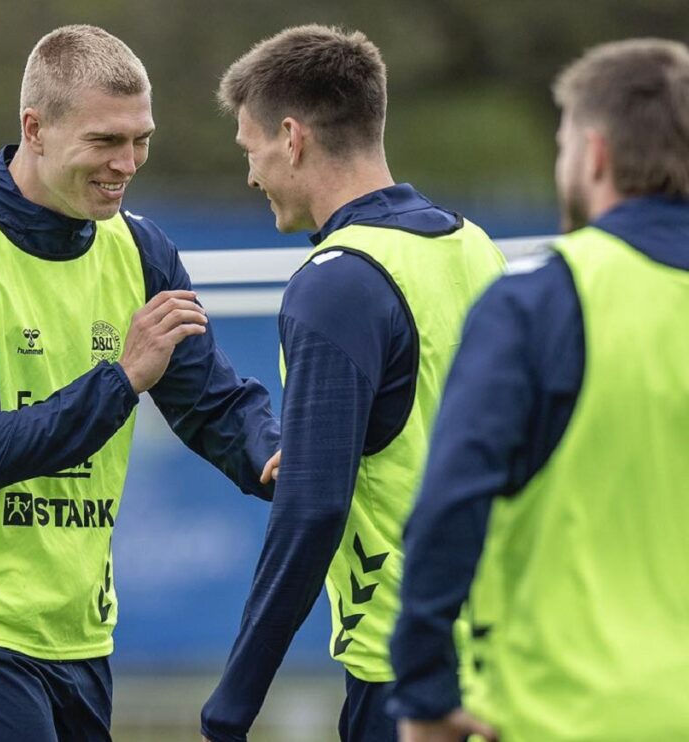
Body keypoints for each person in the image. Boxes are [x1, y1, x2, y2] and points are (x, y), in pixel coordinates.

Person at [0, 25, 279, 741]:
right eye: (104, 141)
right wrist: (121, 379)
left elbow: (210, 401)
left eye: (140, 139)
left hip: (78, 639)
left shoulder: (140, 247)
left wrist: (282, 458)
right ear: (34, 129)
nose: (127, 163)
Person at [200, 25, 504, 742]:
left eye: (252, 151)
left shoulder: (336, 283)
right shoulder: (475, 246)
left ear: (292, 137)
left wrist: (231, 705)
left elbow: (312, 510)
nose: (251, 176)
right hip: (505, 654)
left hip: (405, 676)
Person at [388, 38, 689, 742]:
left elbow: (450, 504)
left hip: (570, 712)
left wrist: (425, 693)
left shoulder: (543, 298)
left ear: (593, 155)